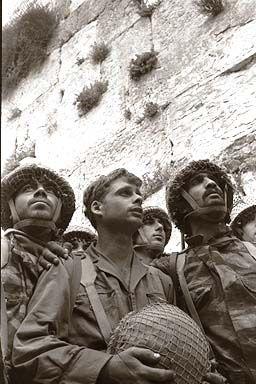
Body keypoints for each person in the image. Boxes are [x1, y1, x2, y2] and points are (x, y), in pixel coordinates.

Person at [10, 168, 177, 384]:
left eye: (138, 195)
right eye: (125, 193)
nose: (137, 198)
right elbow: (30, 348)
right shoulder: (67, 267)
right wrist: (105, 367)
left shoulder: (162, 280)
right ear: (97, 208)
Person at [154, 159, 256, 384]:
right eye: (197, 182)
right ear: (182, 202)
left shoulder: (252, 251)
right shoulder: (171, 269)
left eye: (215, 181)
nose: (211, 184)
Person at [1, 163, 76, 380]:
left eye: (50, 191)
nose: (41, 191)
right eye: (27, 188)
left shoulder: (72, 263)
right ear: (11, 205)